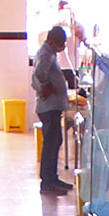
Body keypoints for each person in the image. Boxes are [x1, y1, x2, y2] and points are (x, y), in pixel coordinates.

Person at [33, 25, 74, 195]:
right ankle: (47, 181)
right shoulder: (46, 54)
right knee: (51, 142)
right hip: (48, 107)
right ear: (51, 41)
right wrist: (46, 86)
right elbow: (39, 74)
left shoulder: (49, 53)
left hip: (52, 106)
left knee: (55, 141)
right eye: (61, 43)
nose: (63, 46)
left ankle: (52, 177)